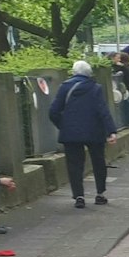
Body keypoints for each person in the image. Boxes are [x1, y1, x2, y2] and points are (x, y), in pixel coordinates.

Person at [48, 61, 116, 208]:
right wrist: (111, 131)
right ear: (89, 74)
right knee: (98, 162)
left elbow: (53, 111)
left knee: (74, 164)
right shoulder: (95, 88)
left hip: (71, 132)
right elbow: (103, 110)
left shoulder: (65, 87)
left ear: (73, 72)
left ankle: (79, 197)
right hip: (94, 131)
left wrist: (63, 126)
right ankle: (100, 194)